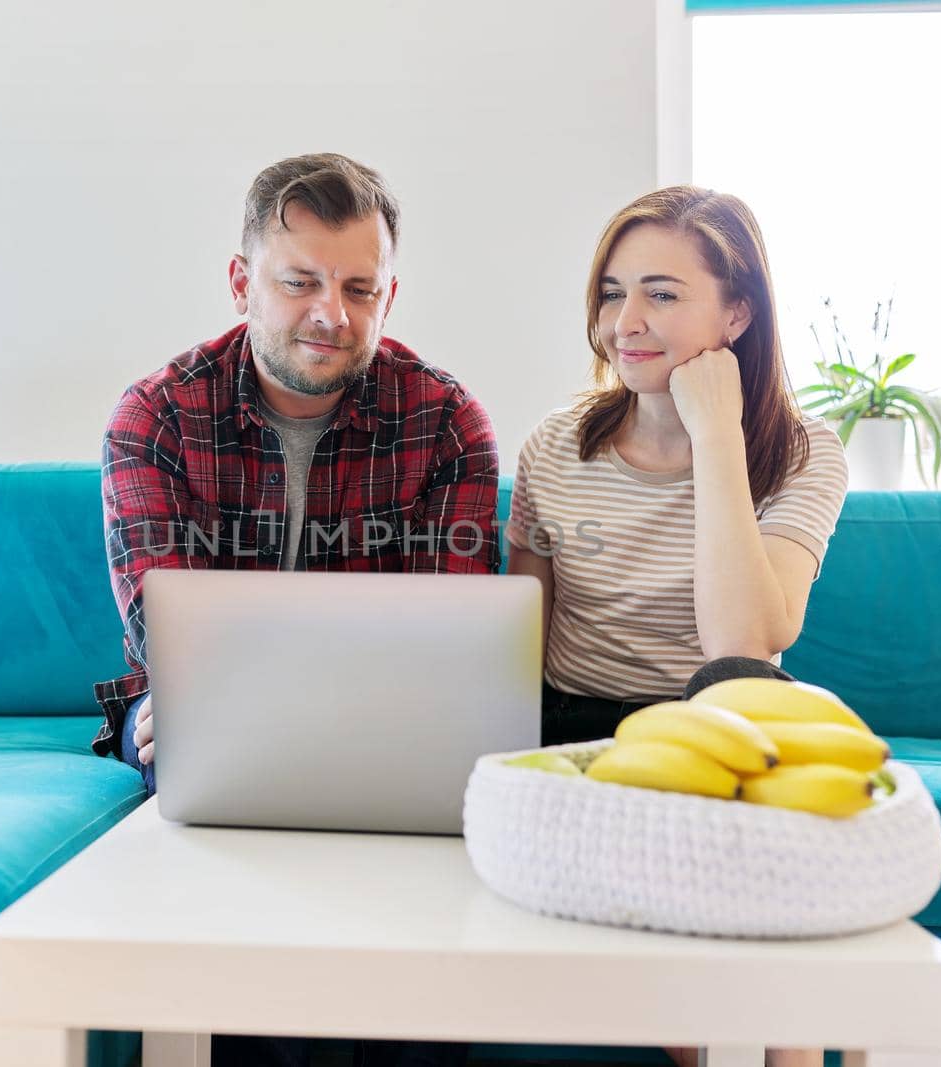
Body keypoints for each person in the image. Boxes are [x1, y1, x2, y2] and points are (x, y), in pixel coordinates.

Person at [90, 153, 496, 1067]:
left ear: (391, 294)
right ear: (243, 283)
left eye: (360, 287)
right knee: (191, 755)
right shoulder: (155, 415)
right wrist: (191, 704)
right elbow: (167, 632)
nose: (333, 313)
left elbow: (458, 642)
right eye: (301, 281)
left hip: (396, 727)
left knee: (436, 826)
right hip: (208, 716)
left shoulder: (446, 419)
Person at [505, 186, 849, 1067]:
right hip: (580, 726)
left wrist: (717, 434)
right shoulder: (555, 445)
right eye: (613, 292)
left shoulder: (805, 451)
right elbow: (514, 639)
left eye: (662, 293)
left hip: (725, 721)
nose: (627, 320)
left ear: (736, 312)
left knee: (743, 696)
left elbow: (743, 641)